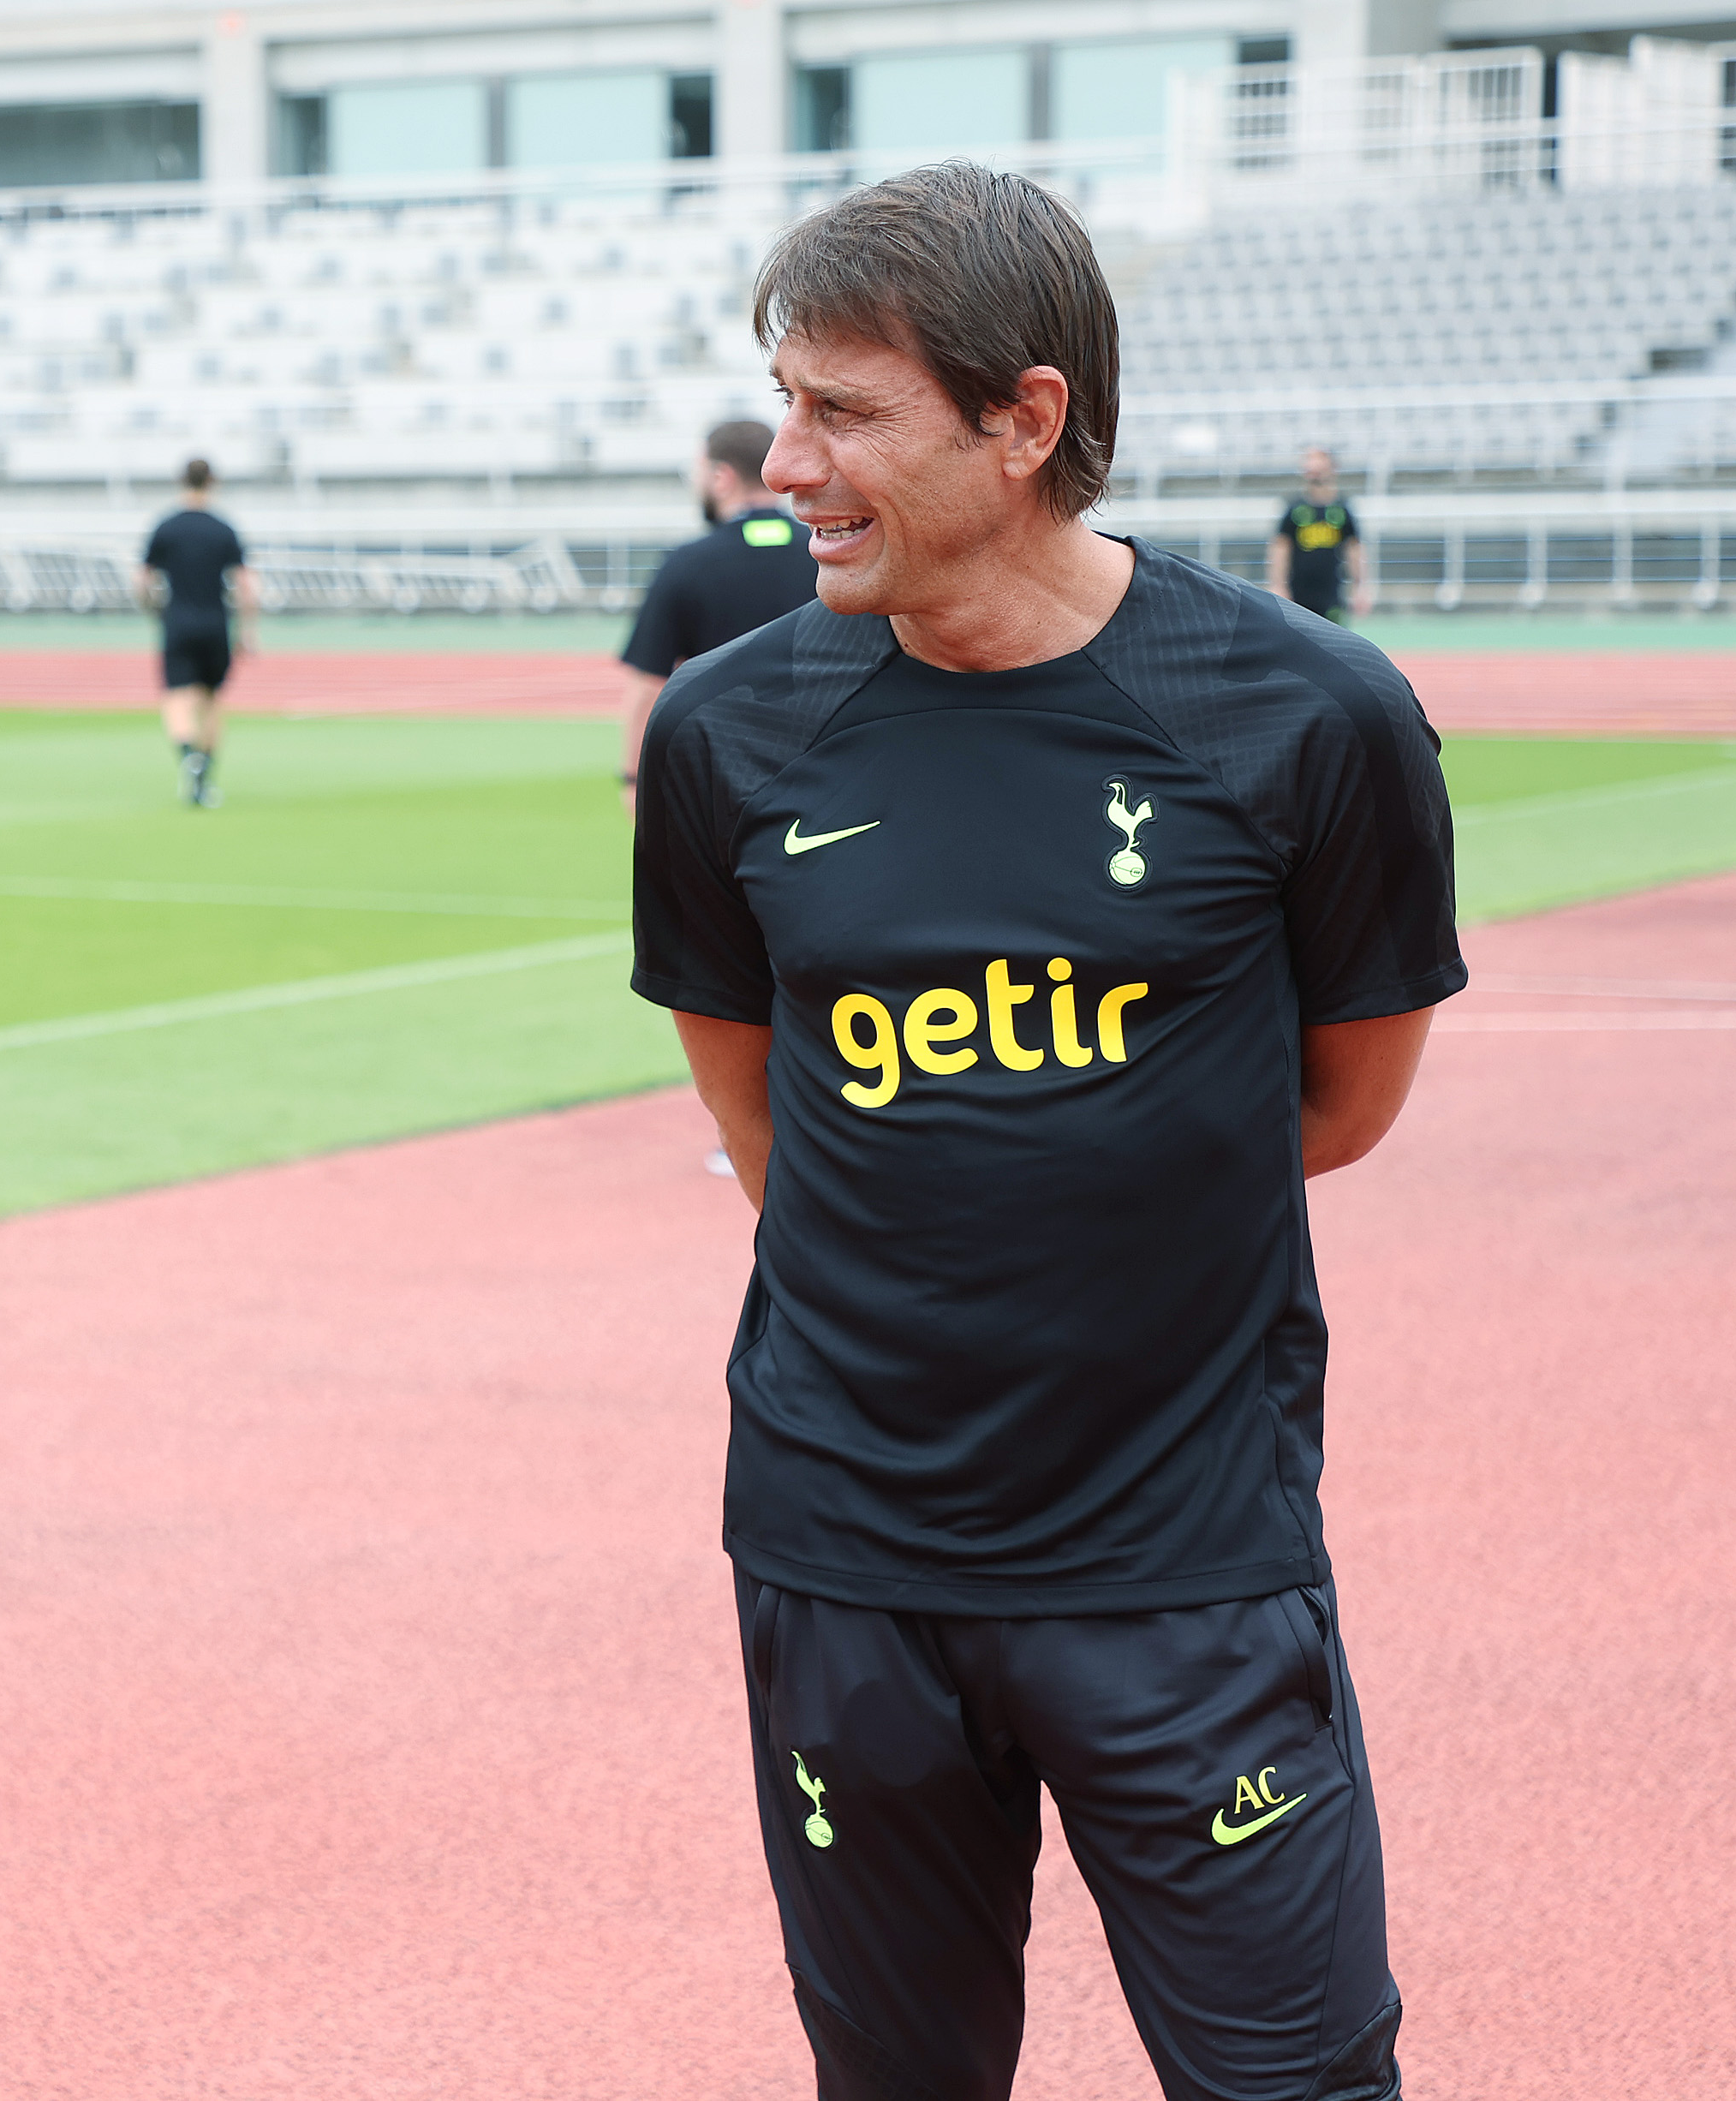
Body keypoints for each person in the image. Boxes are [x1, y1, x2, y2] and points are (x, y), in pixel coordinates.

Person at [630, 162, 1459, 2101]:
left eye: (844, 411)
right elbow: (771, 1114)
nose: (784, 462)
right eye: (781, 402)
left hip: (1185, 1568)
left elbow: (1329, 1105)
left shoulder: (1307, 712)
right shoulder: (725, 737)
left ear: (1026, 421)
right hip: (846, 1559)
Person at [617, 420, 819, 815]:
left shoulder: (685, 564)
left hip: (718, 777)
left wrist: (633, 779)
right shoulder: (829, 554)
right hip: (820, 767)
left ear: (721, 476)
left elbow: (648, 686)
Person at [136, 457, 260, 808]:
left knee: (176, 698)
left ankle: (188, 754)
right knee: (210, 701)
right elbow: (245, 584)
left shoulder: (166, 526)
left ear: (181, 480)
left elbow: (143, 579)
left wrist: (152, 611)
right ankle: (204, 776)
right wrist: (247, 631)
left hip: (177, 621)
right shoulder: (223, 528)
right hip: (215, 622)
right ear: (213, 481)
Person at [1269, 446, 1369, 623]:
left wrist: (1360, 587)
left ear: (1332, 469)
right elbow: (1280, 549)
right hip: (1297, 594)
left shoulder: (1342, 509)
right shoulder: (1295, 509)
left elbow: (1354, 550)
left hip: (1331, 594)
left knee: (1334, 643)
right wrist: (1278, 585)